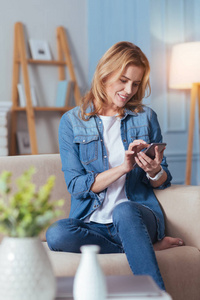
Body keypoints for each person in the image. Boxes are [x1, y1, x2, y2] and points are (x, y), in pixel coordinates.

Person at [46, 41, 184, 290]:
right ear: (105, 73)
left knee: (123, 210)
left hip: (137, 216)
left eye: (135, 83)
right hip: (93, 224)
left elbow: (164, 180)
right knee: (56, 234)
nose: (128, 90)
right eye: (123, 80)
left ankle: (156, 295)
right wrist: (123, 167)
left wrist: (155, 171)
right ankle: (141, 246)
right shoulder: (72, 122)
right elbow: (77, 186)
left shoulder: (145, 117)